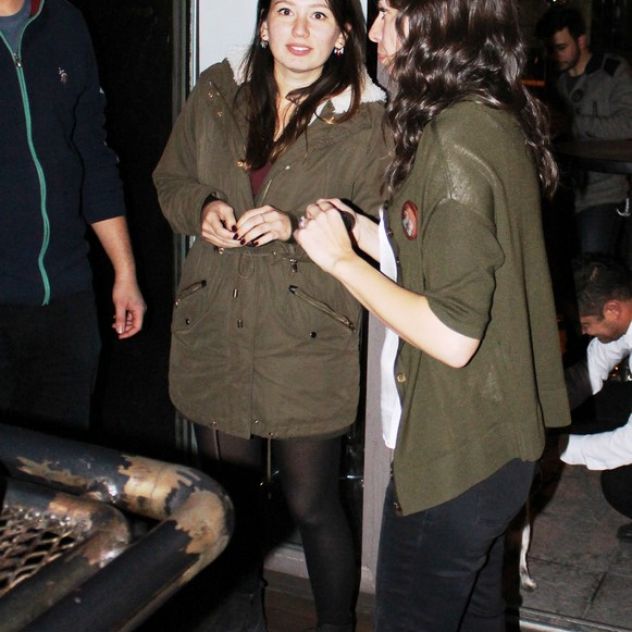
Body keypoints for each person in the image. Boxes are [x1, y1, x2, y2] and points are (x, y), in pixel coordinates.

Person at [295, 0, 571, 629]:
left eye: (386, 12)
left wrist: (341, 262)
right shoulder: (486, 113)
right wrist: (363, 235)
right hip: (495, 443)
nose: (372, 30)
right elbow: (452, 258)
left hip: (457, 451)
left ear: (438, 21)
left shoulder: (453, 139)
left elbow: (452, 335)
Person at [153, 1, 388, 630]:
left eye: (319, 14)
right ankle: (240, 620)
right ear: (263, 26)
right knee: (225, 503)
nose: (300, 29)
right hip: (216, 322)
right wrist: (202, 207)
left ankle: (335, 625)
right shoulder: (216, 91)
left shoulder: (368, 118)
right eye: (286, 10)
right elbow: (170, 179)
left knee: (312, 503)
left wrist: (297, 226)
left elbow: (380, 230)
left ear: (342, 35)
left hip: (305, 329)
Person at [0, 0, 145, 434]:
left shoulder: (63, 21)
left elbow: (92, 156)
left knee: (61, 464)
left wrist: (125, 271)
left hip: (67, 302)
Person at [535, 6, 632, 259]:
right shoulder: (557, 80)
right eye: (552, 49)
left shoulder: (613, 73)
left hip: (604, 192)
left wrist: (571, 123)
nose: (556, 56)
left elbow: (627, 125)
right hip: (565, 194)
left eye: (561, 47)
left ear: (581, 41)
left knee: (593, 266)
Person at [560, 255, 632, 541]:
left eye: (586, 324)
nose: (584, 332)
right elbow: (590, 372)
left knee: (621, 484)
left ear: (613, 309)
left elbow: (627, 446)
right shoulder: (623, 320)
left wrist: (555, 450)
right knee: (602, 405)